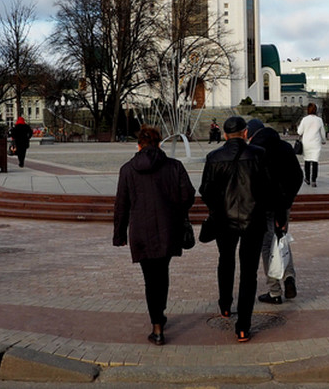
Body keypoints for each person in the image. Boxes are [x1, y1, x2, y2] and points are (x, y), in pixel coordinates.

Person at [112, 126, 195, 346]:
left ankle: (157, 325)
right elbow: (188, 195)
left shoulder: (128, 169)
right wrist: (175, 208)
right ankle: (160, 314)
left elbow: (121, 205)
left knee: (150, 279)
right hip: (168, 229)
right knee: (162, 273)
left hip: (141, 231)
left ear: (138, 145)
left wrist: (119, 234)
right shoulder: (174, 166)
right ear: (159, 144)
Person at [200, 116, 281, 343]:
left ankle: (225, 304)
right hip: (252, 220)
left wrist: (218, 207)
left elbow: (205, 190)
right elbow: (269, 188)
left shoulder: (214, 157)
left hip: (224, 220)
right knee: (248, 272)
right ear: (245, 133)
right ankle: (243, 326)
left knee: (225, 261)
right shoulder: (258, 154)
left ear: (225, 135)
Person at [248, 119, 302, 306]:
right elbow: (298, 176)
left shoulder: (255, 151)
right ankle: (289, 276)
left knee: (266, 246)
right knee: (281, 241)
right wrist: (287, 201)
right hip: (283, 204)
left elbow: (253, 181)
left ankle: (274, 290)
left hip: (264, 206)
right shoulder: (285, 147)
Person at [296, 103, 326, 188]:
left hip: (307, 143)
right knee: (315, 162)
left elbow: (299, 132)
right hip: (316, 143)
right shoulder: (319, 120)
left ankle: (307, 178)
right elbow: (322, 132)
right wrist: (324, 140)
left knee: (307, 161)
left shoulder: (305, 119)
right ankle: (314, 180)